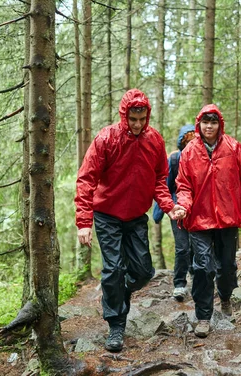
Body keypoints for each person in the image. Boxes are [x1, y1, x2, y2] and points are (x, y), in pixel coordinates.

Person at [75, 89, 185, 352]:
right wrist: (83, 221)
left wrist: (169, 206)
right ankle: (116, 326)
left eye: (142, 119)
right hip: (107, 215)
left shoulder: (154, 140)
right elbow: (86, 180)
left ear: (147, 116)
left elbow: (160, 179)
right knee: (113, 269)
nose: (137, 124)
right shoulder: (106, 139)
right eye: (133, 119)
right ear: (124, 115)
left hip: (136, 216)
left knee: (144, 272)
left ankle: (116, 291)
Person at [176, 104, 241, 338]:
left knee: (226, 267)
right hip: (198, 219)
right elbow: (184, 185)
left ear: (220, 124)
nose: (209, 126)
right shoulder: (189, 152)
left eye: (213, 122)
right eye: (206, 122)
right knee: (203, 267)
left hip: (228, 218)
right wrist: (184, 207)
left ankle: (226, 297)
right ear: (199, 124)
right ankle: (204, 316)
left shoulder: (234, 147)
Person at [152, 124, 196, 301]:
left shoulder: (201, 159)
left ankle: (196, 277)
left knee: (196, 246)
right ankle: (179, 284)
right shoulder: (174, 160)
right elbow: (164, 186)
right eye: (188, 140)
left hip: (197, 210)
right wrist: (160, 212)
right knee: (182, 247)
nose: (191, 144)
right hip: (177, 210)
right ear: (182, 142)